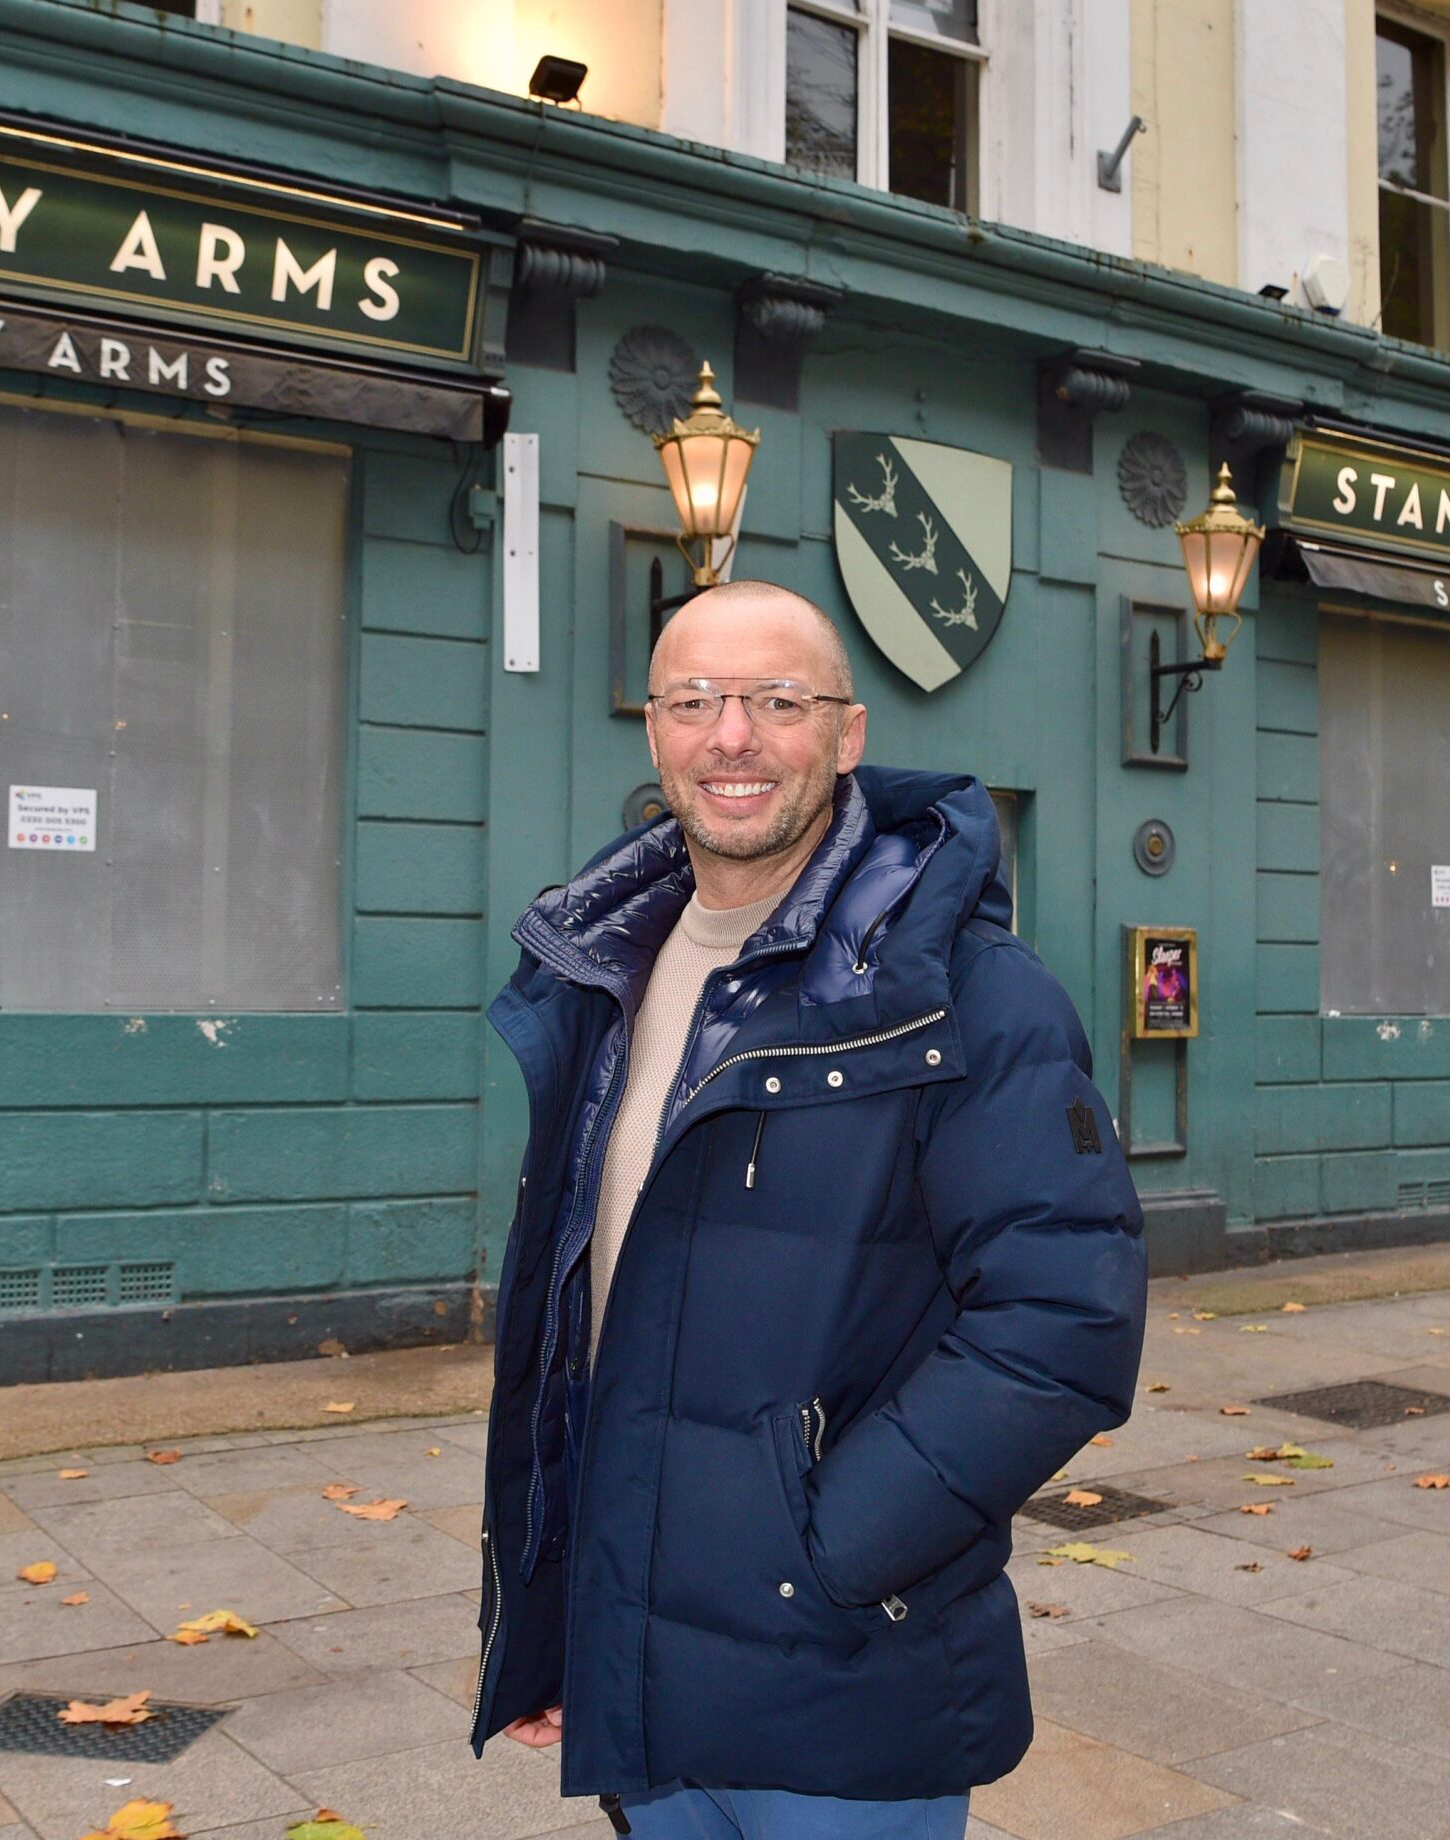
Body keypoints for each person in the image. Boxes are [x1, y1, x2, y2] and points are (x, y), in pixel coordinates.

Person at [468, 579, 1149, 1837]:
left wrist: (829, 1555)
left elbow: (1067, 1319)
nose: (732, 735)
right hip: (645, 1679)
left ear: (846, 736)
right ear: (656, 731)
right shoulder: (596, 969)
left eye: (778, 700)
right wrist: (558, 1614)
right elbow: (586, 1324)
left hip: (847, 1691)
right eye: (694, 700)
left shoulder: (974, 996)